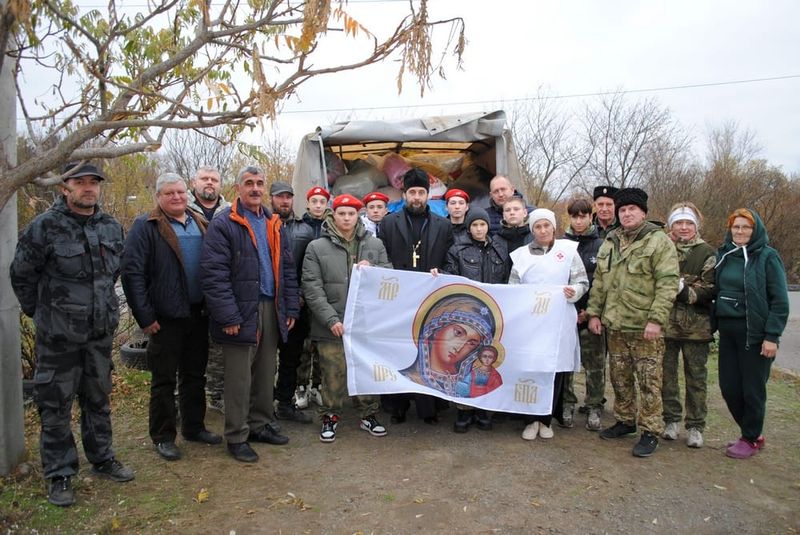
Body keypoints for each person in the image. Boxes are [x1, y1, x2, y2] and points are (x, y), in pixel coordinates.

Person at [11, 162, 134, 507]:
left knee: (97, 399)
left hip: (97, 336)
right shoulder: (44, 227)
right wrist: (44, 314)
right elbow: (22, 276)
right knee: (55, 407)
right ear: (65, 187)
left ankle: (103, 458)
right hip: (58, 340)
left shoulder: (110, 227)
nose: (88, 188)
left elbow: (112, 275)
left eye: (93, 183)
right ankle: (60, 473)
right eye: (80, 182)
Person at [200, 165, 300, 463]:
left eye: (259, 183)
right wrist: (229, 316)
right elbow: (213, 274)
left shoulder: (274, 223)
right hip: (242, 308)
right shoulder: (225, 223)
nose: (255, 188)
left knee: (266, 371)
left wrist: (290, 307)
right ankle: (237, 435)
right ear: (238, 189)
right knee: (239, 378)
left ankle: (260, 424)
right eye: (249, 183)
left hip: (271, 306)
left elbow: (287, 269)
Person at [121, 173, 222, 462]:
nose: (176, 197)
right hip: (164, 318)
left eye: (180, 192)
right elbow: (132, 275)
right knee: (164, 380)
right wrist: (145, 317)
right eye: (169, 193)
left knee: (194, 375)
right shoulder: (146, 226)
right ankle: (163, 436)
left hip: (198, 313)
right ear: (158, 197)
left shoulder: (200, 222)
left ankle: (194, 427)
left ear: (187, 193)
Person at [586, 188, 679, 458]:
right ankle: (625, 420)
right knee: (620, 377)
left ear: (643, 213)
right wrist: (594, 313)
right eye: (622, 210)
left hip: (644, 327)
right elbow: (600, 282)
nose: (626, 214)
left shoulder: (658, 241)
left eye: (632, 210)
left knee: (649, 380)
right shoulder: (611, 241)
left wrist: (656, 320)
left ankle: (650, 431)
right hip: (615, 324)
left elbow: (667, 283)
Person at [302, 193, 392, 442]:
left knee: (367, 370)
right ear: (333, 215)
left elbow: (390, 276)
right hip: (332, 324)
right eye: (341, 213)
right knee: (333, 373)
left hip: (366, 323)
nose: (346, 218)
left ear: (358, 215)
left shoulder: (374, 245)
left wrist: (373, 270)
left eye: (351, 213)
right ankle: (330, 417)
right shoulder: (317, 247)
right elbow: (312, 287)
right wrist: (331, 319)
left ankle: (369, 414)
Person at [379, 167, 454, 424]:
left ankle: (428, 408)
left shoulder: (443, 226)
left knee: (429, 351)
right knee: (399, 351)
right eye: (412, 192)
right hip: (399, 300)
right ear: (404, 194)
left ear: (428, 194)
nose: (417, 197)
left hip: (430, 299)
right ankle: (397, 407)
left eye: (421, 192)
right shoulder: (388, 223)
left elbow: (451, 260)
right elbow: (382, 259)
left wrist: (442, 272)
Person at [714, 208, 788, 459]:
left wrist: (772, 336)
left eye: (746, 227)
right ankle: (752, 431)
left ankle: (751, 437)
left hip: (755, 335)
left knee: (752, 389)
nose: (740, 231)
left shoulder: (767, 257)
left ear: (755, 230)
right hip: (727, 333)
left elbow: (780, 301)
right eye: (736, 226)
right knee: (729, 387)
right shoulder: (724, 254)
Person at [509, 208, 588, 441]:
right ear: (532, 230)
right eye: (537, 226)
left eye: (546, 226)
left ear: (554, 227)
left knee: (554, 369)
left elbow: (582, 280)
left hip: (560, 320)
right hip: (531, 323)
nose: (542, 230)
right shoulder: (521, 256)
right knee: (531, 367)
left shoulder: (569, 251)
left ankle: (546, 419)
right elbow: (513, 286)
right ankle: (530, 419)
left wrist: (574, 291)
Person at [435, 207, 510, 432]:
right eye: (475, 225)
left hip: (492, 316)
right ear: (469, 227)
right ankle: (463, 411)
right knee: (464, 365)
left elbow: (507, 279)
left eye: (483, 225)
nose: (479, 229)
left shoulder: (499, 249)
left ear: (488, 226)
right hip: (468, 317)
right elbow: (450, 276)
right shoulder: (457, 249)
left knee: (485, 364)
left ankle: (483, 410)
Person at [660, 202, 716, 449]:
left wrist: (682, 289)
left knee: (696, 379)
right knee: (666, 377)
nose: (683, 227)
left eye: (688, 223)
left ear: (696, 225)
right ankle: (671, 421)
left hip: (697, 328)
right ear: (671, 225)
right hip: (665, 326)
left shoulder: (707, 252)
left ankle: (695, 426)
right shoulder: (663, 249)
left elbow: (708, 290)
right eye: (678, 223)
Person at [269, 181, 315, 424]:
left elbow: (309, 269)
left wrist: (301, 297)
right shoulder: (263, 225)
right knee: (265, 360)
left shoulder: (305, 230)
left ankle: (285, 403)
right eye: (279, 197)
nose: (284, 201)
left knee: (291, 357)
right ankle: (264, 407)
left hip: (296, 303)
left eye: (288, 197)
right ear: (271, 199)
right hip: (268, 303)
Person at [186, 165, 231, 414]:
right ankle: (183, 399)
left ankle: (217, 394)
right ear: (195, 182)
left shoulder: (230, 210)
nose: (209, 183)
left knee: (218, 349)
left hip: (220, 288)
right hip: (190, 288)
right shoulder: (183, 207)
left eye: (214, 179)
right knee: (188, 349)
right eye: (204, 178)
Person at [400, 292, 500, 397]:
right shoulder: (406, 378)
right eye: (458, 333)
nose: (459, 347)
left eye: (471, 343)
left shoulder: (471, 379)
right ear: (436, 328)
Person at [562, 197, 606, 431]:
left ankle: (594, 405)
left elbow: (604, 282)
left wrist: (591, 312)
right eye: (574, 216)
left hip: (592, 315)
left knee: (595, 364)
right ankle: (567, 402)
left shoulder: (602, 245)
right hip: (567, 315)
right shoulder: (561, 245)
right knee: (567, 363)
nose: (579, 221)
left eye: (583, 216)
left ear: (591, 217)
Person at [294, 186, 331, 409]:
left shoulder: (332, 228)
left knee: (321, 342)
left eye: (322, 201)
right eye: (314, 201)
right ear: (308, 203)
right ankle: (301, 387)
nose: (318, 205)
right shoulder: (300, 227)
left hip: (325, 293)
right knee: (303, 344)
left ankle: (317, 385)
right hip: (302, 293)